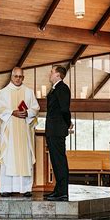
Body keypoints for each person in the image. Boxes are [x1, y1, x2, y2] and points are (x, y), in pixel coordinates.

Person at [0, 67, 40, 197]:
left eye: (20, 76)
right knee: (9, 157)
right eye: (16, 76)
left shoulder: (29, 92)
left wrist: (28, 113)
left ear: (23, 77)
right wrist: (12, 112)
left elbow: (35, 108)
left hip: (24, 132)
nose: (18, 79)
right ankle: (6, 188)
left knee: (24, 157)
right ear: (11, 76)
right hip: (9, 133)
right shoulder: (3, 93)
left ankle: (25, 188)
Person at [45, 65, 72, 201]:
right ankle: (58, 189)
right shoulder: (55, 88)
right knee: (55, 161)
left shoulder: (62, 88)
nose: (50, 74)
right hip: (52, 129)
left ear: (57, 75)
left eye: (52, 72)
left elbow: (64, 109)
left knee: (59, 160)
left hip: (57, 130)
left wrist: (67, 123)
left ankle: (62, 191)